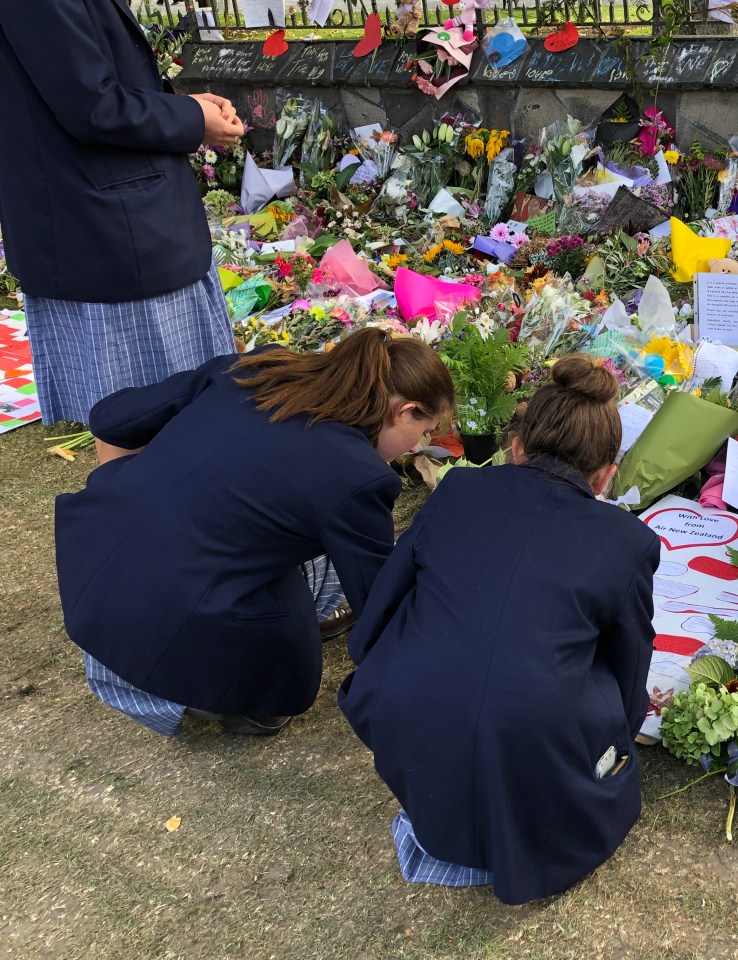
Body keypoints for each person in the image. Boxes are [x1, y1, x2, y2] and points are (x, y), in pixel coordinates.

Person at [339, 355, 660, 905]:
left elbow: (385, 603)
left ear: (515, 448)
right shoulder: (627, 539)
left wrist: (377, 674)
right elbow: (631, 657)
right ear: (607, 475)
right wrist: (618, 735)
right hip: (530, 732)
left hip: (401, 700)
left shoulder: (458, 491)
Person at [56, 329, 454, 737]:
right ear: (404, 411)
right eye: (424, 431)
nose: (415, 447)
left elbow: (110, 418)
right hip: (165, 629)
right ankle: (233, 698)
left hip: (92, 574)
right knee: (290, 653)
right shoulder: (358, 475)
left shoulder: (257, 367)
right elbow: (382, 606)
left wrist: (135, 490)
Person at [0, 1, 246, 425]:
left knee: (165, 416)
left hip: (112, 216)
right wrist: (191, 118)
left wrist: (186, 106)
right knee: (144, 420)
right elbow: (91, 106)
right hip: (107, 224)